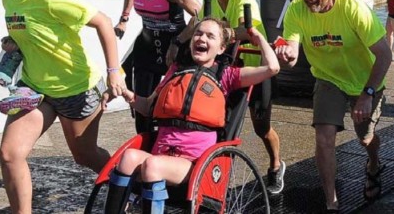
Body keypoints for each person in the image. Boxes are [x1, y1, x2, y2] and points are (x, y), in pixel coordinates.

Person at [0, 0, 126, 214]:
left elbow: (104, 23)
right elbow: (28, 32)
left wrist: (114, 72)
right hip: (35, 89)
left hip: (77, 89)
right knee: (10, 154)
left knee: (84, 156)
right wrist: (13, 43)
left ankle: (126, 184)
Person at [103, 18, 280, 214]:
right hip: (161, 153)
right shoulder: (175, 71)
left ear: (221, 48)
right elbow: (147, 107)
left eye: (210, 36)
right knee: (128, 157)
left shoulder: (227, 76)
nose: (201, 38)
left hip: (194, 162)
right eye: (198, 33)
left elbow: (272, 68)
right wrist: (128, 95)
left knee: (152, 165)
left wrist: (259, 38)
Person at [275, 0, 393, 212]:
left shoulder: (353, 7)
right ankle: (332, 201)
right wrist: (286, 54)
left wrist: (368, 94)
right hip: (328, 78)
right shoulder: (297, 8)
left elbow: (385, 54)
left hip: (366, 80)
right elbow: (292, 52)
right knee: (324, 137)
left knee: (365, 139)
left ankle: (373, 165)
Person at [168, 0, 286, 195]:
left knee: (261, 128)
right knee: (220, 125)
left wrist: (223, 34)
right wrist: (177, 42)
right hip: (227, 74)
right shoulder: (209, 0)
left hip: (255, 70)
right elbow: (196, 23)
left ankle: (276, 165)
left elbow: (248, 31)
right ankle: (210, 176)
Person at [114, 0, 202, 134]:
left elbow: (199, 13)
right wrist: (124, 19)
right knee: (140, 101)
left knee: (174, 103)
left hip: (173, 45)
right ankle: (144, 144)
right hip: (147, 44)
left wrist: (179, 42)